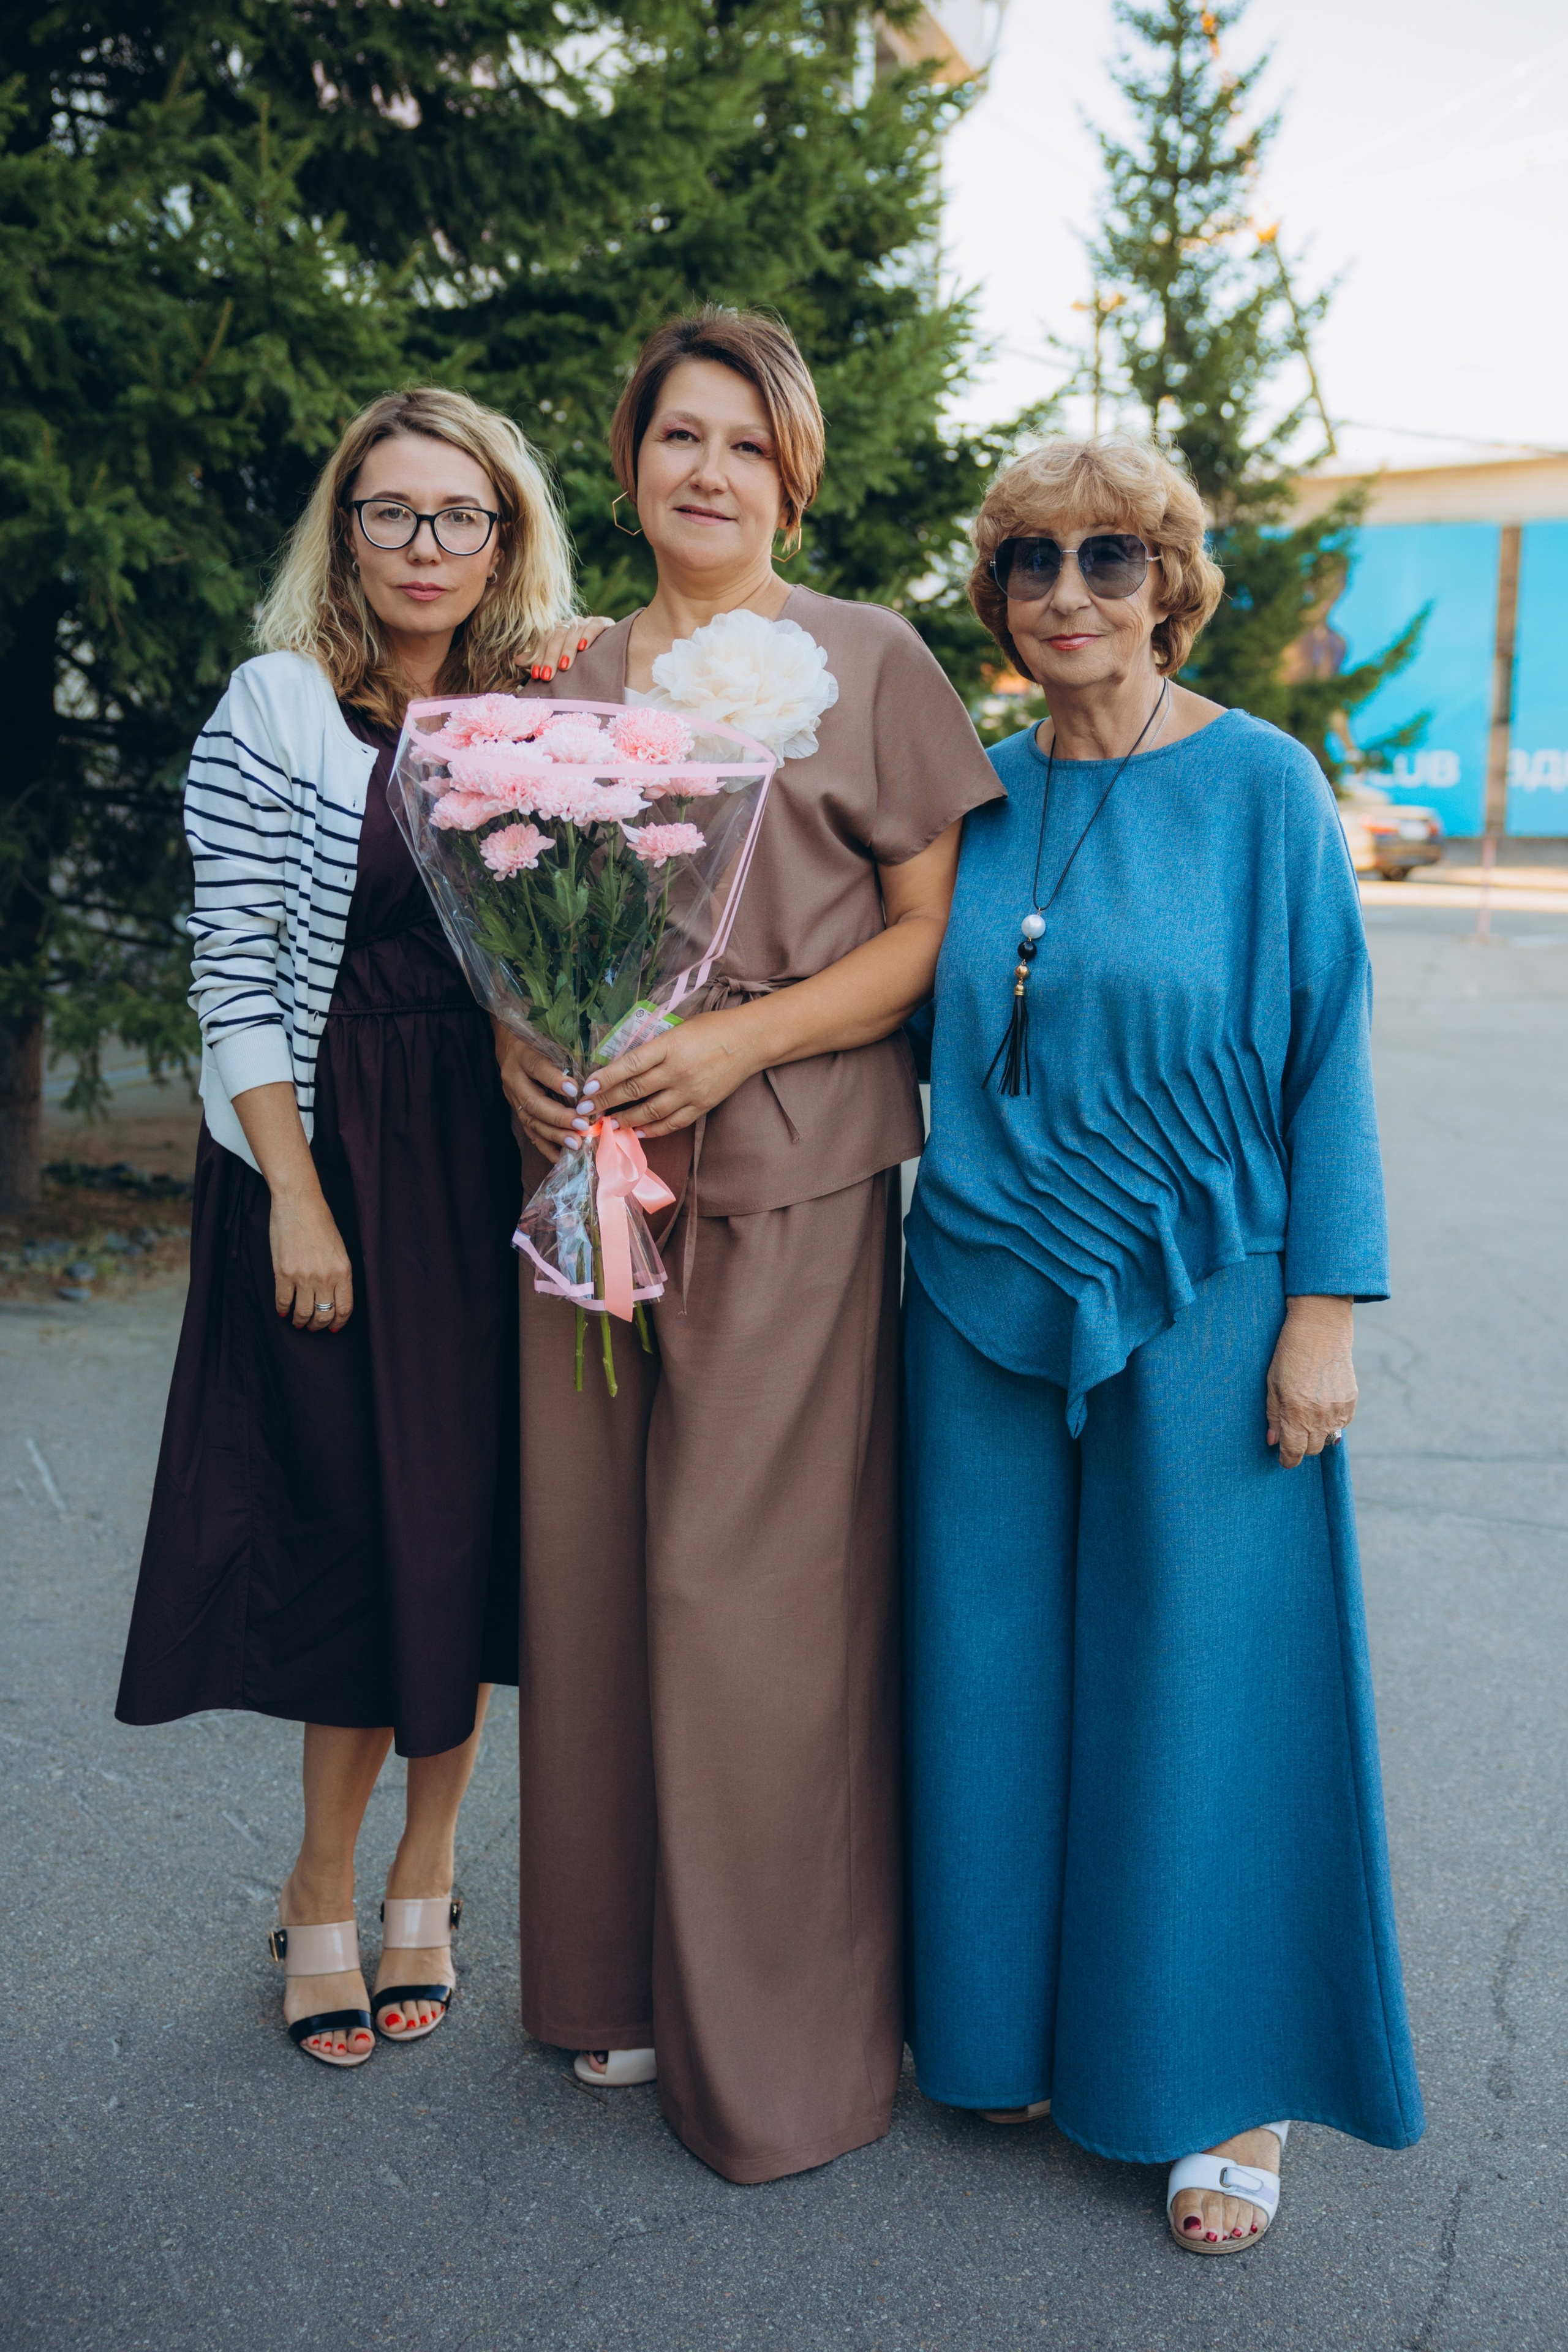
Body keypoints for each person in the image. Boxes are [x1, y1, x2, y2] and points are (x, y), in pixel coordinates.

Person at [900, 435, 1425, 2249]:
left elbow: (1323, 1049)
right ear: (996, 594)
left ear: (1173, 583)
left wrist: (1322, 1313)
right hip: (976, 1290)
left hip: (1211, 1294)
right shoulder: (964, 795)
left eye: (1109, 559)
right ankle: (1009, 2030)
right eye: (1032, 561)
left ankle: (1229, 2082)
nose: (1068, 593)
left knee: (1209, 1679)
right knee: (988, 1677)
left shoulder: (1265, 786)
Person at [497, 307, 1003, 2182]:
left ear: (794, 470)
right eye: (673, 435)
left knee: (746, 1605)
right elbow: (515, 899)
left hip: (787, 1169)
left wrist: (741, 1043)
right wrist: (519, 1050)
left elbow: (927, 929)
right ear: (627, 459)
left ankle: (785, 2033)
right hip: (590, 1185)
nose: (703, 470)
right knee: (596, 1581)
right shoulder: (563, 666)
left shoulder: (870, 660)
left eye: (742, 441)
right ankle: (615, 1980)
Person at [116, 388, 588, 2068]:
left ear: (506, 535)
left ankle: (429, 1875)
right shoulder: (279, 706)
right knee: (350, 1530)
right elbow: (230, 973)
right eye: (392, 513)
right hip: (333, 1161)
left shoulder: (542, 704)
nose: (426, 548)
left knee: (465, 1528)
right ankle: (321, 1880)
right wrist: (294, 1204)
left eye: (462, 516)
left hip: (493, 1160)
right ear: (348, 526)